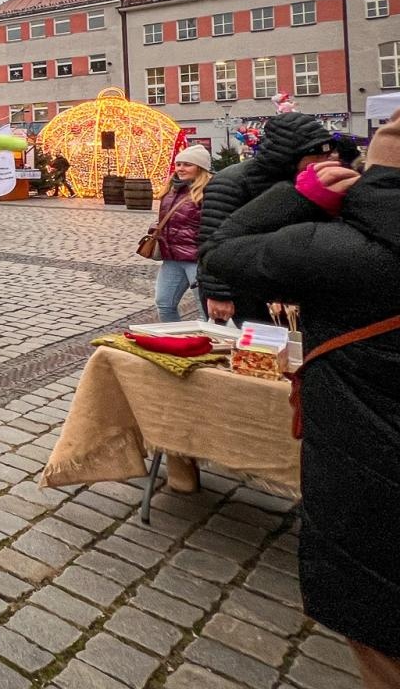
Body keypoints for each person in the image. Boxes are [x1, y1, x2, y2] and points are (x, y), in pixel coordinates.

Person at [203, 112, 400, 685]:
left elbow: (222, 248)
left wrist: (300, 201)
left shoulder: (340, 248)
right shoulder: (232, 182)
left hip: (362, 459)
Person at [199, 111, 332, 324]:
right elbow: (211, 241)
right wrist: (218, 294)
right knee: (256, 353)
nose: (324, 161)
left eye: (327, 154)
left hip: (290, 292)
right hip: (246, 291)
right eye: (317, 155)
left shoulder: (307, 182)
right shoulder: (232, 182)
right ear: (291, 154)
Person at [151, 146, 211, 321]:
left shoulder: (208, 191)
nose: (180, 169)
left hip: (196, 258)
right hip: (172, 257)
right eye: (178, 164)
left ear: (200, 168)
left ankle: (209, 344)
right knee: (164, 303)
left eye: (187, 164)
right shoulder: (171, 190)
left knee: (205, 310)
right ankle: (174, 342)